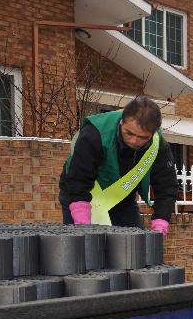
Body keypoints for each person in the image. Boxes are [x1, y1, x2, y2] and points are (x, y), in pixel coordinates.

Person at [60, 96, 177, 233]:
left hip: (121, 198)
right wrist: (82, 220)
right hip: (80, 193)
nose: (134, 141)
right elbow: (78, 178)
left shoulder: (158, 145)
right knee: (83, 247)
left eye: (142, 138)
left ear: (153, 133)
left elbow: (167, 186)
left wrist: (160, 222)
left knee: (133, 246)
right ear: (122, 121)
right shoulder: (94, 134)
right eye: (129, 133)